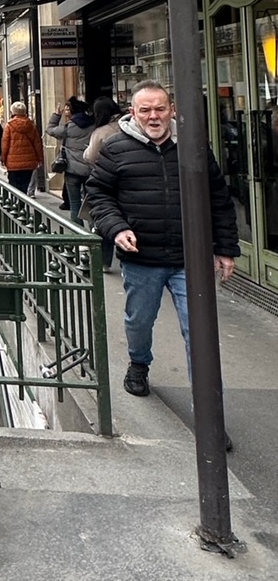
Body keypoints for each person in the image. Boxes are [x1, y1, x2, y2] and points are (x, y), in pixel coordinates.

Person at [84, 79, 238, 406]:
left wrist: (225, 248)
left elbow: (219, 199)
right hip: (142, 259)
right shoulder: (116, 148)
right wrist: (117, 228)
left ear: (172, 111)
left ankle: (209, 415)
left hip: (190, 259)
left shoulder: (193, 147)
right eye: (145, 110)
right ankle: (139, 364)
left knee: (200, 336)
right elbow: (98, 194)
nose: (153, 116)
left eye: (160, 109)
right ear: (133, 113)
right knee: (139, 322)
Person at [83, 96, 124, 271]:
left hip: (107, 180)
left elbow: (90, 157)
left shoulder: (101, 132)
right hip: (132, 180)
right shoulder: (129, 125)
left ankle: (105, 262)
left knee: (106, 218)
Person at [46, 96, 94, 225]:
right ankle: (93, 233)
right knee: (91, 203)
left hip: (72, 170)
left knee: (74, 204)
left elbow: (49, 130)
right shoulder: (93, 124)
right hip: (90, 169)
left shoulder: (68, 127)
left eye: (68, 109)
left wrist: (56, 115)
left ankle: (79, 236)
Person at [0, 101, 43, 193]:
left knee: (14, 186)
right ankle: (22, 205)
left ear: (13, 112)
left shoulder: (9, 126)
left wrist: (3, 159)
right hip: (29, 162)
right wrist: (40, 159)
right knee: (24, 186)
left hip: (13, 162)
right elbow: (37, 144)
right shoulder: (31, 126)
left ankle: (16, 205)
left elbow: (5, 144)